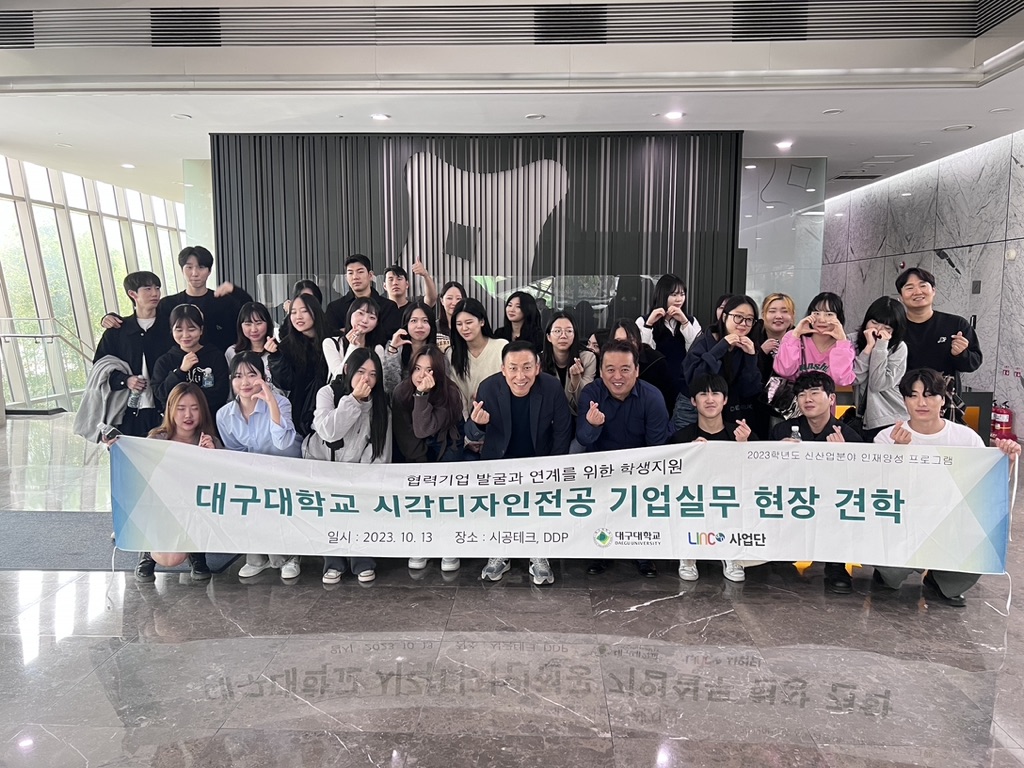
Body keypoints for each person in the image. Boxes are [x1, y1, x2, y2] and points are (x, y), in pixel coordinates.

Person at [873, 368, 1020, 606]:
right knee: (890, 575)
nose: (921, 403)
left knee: (975, 553)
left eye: (929, 395)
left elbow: (988, 488)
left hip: (951, 523)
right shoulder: (887, 437)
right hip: (904, 524)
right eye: (913, 396)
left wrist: (1008, 461)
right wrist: (897, 455)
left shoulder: (966, 438)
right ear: (904, 400)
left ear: (943, 399)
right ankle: (887, 572)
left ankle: (941, 581)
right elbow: (879, 491)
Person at [466, 341, 573, 585]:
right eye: (513, 368)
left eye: (527, 367)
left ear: (537, 367)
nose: (520, 376)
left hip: (538, 460)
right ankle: (500, 552)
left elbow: (562, 431)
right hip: (499, 461)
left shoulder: (551, 387)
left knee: (539, 507)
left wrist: (553, 470)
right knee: (500, 508)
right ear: (503, 369)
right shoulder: (489, 388)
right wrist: (478, 424)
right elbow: (471, 433)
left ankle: (538, 553)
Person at [577, 339, 673, 578]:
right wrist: (592, 425)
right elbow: (583, 438)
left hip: (641, 467)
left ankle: (643, 553)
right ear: (601, 372)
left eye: (625, 369)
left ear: (637, 370)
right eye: (610, 369)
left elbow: (657, 448)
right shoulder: (591, 394)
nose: (617, 376)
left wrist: (639, 474)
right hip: (600, 467)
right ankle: (599, 552)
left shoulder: (652, 397)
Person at [770, 372, 864, 594]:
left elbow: (861, 481)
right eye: (802, 394)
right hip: (795, 500)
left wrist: (844, 458)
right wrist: (777, 453)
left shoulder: (848, 436)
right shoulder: (783, 431)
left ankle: (836, 564)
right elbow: (766, 474)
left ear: (831, 399)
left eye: (814, 393)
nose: (808, 399)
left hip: (831, 503)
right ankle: (786, 548)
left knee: (843, 505)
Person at [305, 347, 392, 584]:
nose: (366, 379)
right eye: (361, 372)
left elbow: (380, 451)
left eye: (373, 374)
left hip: (358, 472)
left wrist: (358, 479)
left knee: (359, 509)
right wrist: (353, 400)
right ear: (347, 369)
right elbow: (329, 431)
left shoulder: (380, 406)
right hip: (323, 465)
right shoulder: (328, 393)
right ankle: (333, 562)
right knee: (329, 514)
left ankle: (362, 560)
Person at [217, 353, 303, 581]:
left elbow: (282, 442)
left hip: (287, 471)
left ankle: (289, 557)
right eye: (238, 376)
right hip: (255, 472)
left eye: (251, 375)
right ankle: (257, 557)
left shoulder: (281, 402)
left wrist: (271, 402)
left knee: (279, 503)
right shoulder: (224, 415)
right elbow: (236, 454)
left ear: (264, 377)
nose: (245, 382)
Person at [669, 374, 754, 583]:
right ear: (693, 401)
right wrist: (689, 455)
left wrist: (745, 447)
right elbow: (668, 475)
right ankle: (688, 552)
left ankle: (732, 554)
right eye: (703, 394)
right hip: (694, 502)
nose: (709, 399)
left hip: (730, 502)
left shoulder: (741, 434)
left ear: (725, 400)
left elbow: (760, 474)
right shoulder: (682, 437)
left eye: (715, 394)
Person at [132, 382, 221, 582]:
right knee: (167, 556)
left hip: (194, 510)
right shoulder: (157, 440)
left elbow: (223, 484)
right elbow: (139, 475)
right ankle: (147, 551)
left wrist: (212, 457)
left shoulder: (211, 442)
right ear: (170, 410)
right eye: (181, 409)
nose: (188, 415)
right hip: (161, 510)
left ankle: (196, 552)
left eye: (194, 408)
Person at [392, 345, 464, 574]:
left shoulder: (450, 393)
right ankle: (422, 541)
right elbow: (407, 436)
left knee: (446, 496)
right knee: (420, 495)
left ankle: (448, 543)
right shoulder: (401, 392)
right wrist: (423, 468)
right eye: (417, 368)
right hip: (416, 451)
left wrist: (422, 396)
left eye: (429, 370)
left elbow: (425, 428)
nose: (422, 375)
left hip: (446, 447)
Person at [102, 246, 252, 353]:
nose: (195, 273)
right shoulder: (168, 304)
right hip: (179, 368)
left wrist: (235, 291)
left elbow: (251, 312)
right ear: (182, 270)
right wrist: (111, 317)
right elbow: (144, 319)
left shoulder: (224, 302)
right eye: (189, 267)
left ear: (209, 271)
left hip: (219, 367)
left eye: (201, 267)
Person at [92, 271, 170, 438]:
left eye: (157, 288)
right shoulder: (117, 331)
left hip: (165, 409)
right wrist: (125, 380)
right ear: (133, 294)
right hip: (127, 411)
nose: (155, 293)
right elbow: (99, 368)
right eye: (148, 289)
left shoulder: (170, 328)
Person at [896, 267, 982, 419]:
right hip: (901, 403)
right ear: (901, 297)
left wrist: (961, 354)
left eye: (923, 285)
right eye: (909, 288)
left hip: (944, 404)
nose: (917, 292)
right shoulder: (894, 328)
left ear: (933, 291)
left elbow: (973, 363)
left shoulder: (956, 324)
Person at [683, 295, 763, 426]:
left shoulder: (750, 345)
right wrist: (720, 348)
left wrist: (751, 357)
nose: (743, 323)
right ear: (724, 317)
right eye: (738, 317)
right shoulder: (704, 341)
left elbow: (749, 390)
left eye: (749, 319)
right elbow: (695, 380)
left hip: (734, 414)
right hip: (695, 411)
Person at [636, 274, 702, 428]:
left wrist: (684, 322)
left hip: (682, 386)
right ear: (662, 295)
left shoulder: (691, 321)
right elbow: (643, 354)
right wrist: (649, 325)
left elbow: (696, 350)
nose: (679, 299)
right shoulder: (643, 320)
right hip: (655, 385)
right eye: (674, 295)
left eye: (682, 294)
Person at [152, 304, 230, 419]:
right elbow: (161, 394)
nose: (185, 335)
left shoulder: (215, 356)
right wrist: (180, 371)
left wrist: (188, 402)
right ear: (172, 331)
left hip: (209, 420)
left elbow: (221, 392)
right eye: (179, 330)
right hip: (176, 422)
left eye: (191, 329)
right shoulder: (165, 361)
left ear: (201, 330)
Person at [268, 290, 329, 437]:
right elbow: (286, 383)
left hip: (330, 406)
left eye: (304, 311)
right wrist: (275, 357)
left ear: (315, 312)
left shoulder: (333, 339)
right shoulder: (286, 345)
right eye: (293, 312)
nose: (298, 317)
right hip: (301, 412)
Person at [849, 297, 909, 441]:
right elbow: (854, 378)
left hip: (891, 416)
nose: (878, 330)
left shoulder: (899, 348)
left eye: (887, 328)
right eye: (874, 322)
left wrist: (880, 347)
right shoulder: (851, 341)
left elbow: (877, 384)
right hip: (863, 418)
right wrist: (868, 348)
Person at [774, 291, 855, 388]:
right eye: (816, 313)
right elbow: (784, 371)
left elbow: (841, 379)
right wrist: (796, 335)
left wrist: (842, 341)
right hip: (795, 395)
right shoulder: (794, 337)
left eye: (829, 314)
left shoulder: (844, 346)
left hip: (826, 397)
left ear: (839, 318)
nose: (821, 319)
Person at [446, 297, 508, 424]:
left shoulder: (501, 347)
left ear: (482, 321)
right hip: (470, 422)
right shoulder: (452, 354)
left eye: (469, 322)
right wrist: (468, 425)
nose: (464, 328)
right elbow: (457, 393)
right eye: (459, 324)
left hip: (502, 417)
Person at [324, 254, 401, 345]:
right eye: (350, 273)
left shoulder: (388, 306)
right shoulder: (335, 307)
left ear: (370, 275)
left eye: (360, 272)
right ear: (346, 277)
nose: (355, 277)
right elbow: (331, 336)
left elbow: (390, 337)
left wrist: (349, 331)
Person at [610, 320, 676, 415]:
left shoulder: (656, 361)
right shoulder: (607, 361)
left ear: (638, 340)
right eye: (619, 341)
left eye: (630, 340)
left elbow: (668, 400)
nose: (625, 346)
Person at [382, 301, 451, 393]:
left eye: (425, 321)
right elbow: (390, 388)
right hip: (401, 400)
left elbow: (444, 388)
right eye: (414, 321)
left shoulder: (439, 353)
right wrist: (392, 350)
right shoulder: (396, 349)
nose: (419, 326)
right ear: (406, 324)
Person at [540, 310, 597, 416]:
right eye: (557, 331)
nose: (563, 336)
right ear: (548, 337)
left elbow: (586, 401)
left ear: (575, 335)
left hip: (578, 418)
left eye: (569, 331)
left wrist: (576, 380)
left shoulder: (588, 358)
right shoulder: (538, 361)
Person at [323, 297, 385, 380]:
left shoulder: (377, 349)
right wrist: (353, 346)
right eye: (360, 313)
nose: (365, 320)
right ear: (350, 314)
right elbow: (339, 376)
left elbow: (378, 379)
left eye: (372, 317)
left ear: (376, 324)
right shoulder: (331, 343)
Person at [225, 302, 278, 386]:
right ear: (240, 326)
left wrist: (276, 355)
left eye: (259, 323)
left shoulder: (277, 352)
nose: (254, 329)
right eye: (248, 324)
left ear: (268, 324)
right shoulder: (232, 352)